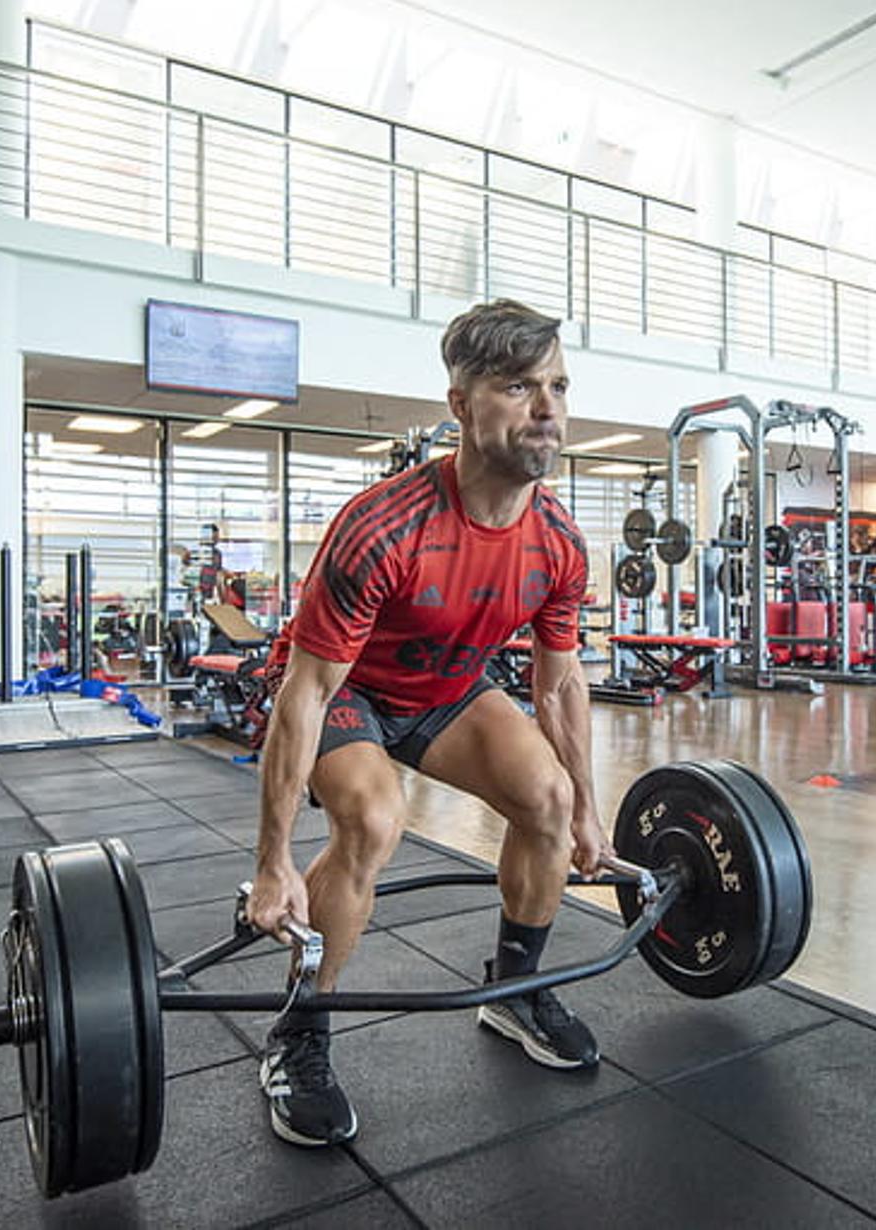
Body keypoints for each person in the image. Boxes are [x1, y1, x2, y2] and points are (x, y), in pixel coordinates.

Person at [246, 299, 610, 1147]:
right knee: (374, 818)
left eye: (557, 385)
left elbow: (558, 685)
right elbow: (303, 694)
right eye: (520, 386)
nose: (548, 408)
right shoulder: (383, 528)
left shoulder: (558, 540)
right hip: (347, 689)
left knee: (548, 800)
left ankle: (515, 994)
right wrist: (271, 865)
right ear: (460, 405)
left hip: (446, 689)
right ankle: (300, 1033)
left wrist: (591, 808)